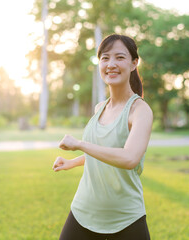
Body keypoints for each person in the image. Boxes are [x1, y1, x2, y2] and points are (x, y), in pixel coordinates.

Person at [52, 34, 153, 240]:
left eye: (120, 57)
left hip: (126, 216)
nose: (111, 64)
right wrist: (72, 162)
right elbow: (106, 150)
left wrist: (80, 144)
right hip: (84, 210)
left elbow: (129, 158)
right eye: (105, 58)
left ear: (134, 63)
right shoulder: (100, 107)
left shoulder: (139, 110)